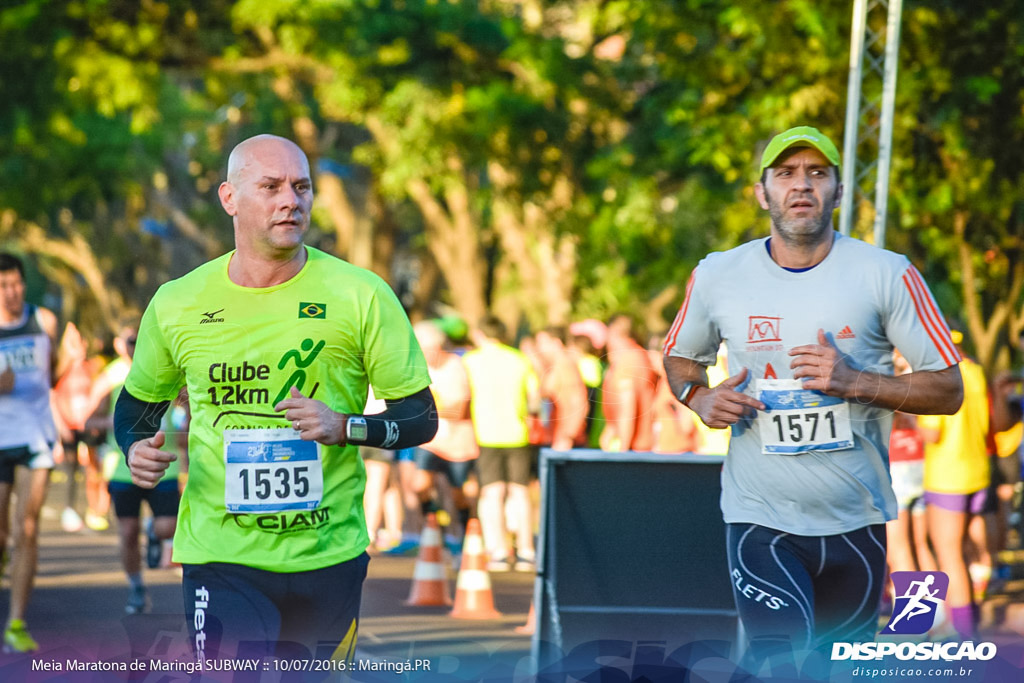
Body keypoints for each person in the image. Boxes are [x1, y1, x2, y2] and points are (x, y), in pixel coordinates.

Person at [114, 134, 436, 660]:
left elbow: (420, 416)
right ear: (229, 198)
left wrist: (346, 426)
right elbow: (136, 408)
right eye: (271, 186)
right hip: (221, 554)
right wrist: (134, 448)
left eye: (302, 186)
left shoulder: (361, 294)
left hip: (328, 555)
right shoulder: (178, 303)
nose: (292, 199)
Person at [662, 126, 963, 665]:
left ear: (839, 192)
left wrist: (857, 383)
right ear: (763, 193)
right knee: (779, 662)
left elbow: (948, 389)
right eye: (785, 174)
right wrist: (698, 397)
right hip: (761, 518)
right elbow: (682, 359)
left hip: (857, 522)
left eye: (817, 173)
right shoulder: (716, 274)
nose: (801, 185)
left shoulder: (887, 273)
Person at [90, 325, 187, 614]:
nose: (136, 345)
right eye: (131, 340)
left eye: (140, 339)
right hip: (124, 469)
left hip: (163, 467)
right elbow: (90, 421)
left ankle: (153, 531)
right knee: (128, 533)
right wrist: (115, 425)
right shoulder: (111, 380)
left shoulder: (168, 371)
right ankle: (135, 587)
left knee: (168, 526)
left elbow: (186, 412)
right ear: (122, 345)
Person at [0, 252, 60, 653]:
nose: (11, 292)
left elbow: (52, 373)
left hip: (37, 434)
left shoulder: (45, 321)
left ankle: (16, 622)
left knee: (28, 528)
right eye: (3, 286)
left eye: (16, 283)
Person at [917, 330, 991, 639]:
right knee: (965, 549)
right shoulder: (974, 371)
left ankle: (963, 633)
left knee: (949, 554)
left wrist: (909, 411)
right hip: (978, 471)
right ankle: (971, 617)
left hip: (948, 475)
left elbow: (932, 433)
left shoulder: (939, 375)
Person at [463, 315, 540, 572]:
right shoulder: (519, 359)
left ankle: (497, 551)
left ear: (481, 334)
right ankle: (526, 550)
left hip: (485, 433)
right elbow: (535, 399)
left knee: (492, 493)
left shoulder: (470, 361)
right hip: (517, 433)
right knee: (519, 492)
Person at [411, 320, 478, 547]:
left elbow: (459, 410)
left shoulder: (455, 367)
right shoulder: (421, 368)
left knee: (458, 493)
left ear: (437, 346)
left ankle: (465, 532)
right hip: (430, 439)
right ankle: (435, 531)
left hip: (457, 441)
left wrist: (425, 410)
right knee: (419, 486)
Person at [601, 313, 657, 452]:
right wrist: (611, 429)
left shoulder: (628, 361)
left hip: (635, 448)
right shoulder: (634, 357)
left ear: (613, 331)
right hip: (636, 446)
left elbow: (627, 408)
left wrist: (622, 451)